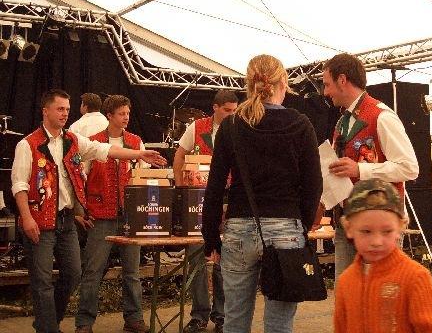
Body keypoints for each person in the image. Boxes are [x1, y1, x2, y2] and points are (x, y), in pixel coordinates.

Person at [11, 89, 166, 333]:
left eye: (67, 109)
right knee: (44, 281)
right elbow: (19, 185)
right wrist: (27, 218)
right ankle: (52, 327)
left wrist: (139, 153)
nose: (65, 113)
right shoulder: (27, 144)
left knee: (74, 274)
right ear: (45, 111)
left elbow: (105, 150)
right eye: (60, 109)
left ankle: (48, 322)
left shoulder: (73, 140)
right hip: (42, 219)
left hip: (67, 220)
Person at [202, 54, 322, 333]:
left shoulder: (231, 125)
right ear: (284, 83)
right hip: (286, 230)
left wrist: (211, 240)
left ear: (248, 84)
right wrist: (301, 226)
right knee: (279, 325)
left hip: (239, 229)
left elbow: (215, 187)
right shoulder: (300, 124)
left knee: (234, 321)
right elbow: (313, 185)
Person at [322, 53, 419, 280]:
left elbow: (409, 167)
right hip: (348, 222)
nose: (325, 92)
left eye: (327, 84)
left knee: (382, 290)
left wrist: (360, 170)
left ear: (342, 80)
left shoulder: (382, 116)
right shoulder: (342, 122)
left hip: (379, 225)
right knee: (347, 292)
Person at [75, 95, 149, 333]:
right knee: (93, 271)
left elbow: (144, 177)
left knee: (132, 272)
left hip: (130, 217)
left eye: (128, 113)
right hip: (101, 215)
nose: (126, 117)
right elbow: (80, 178)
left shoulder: (136, 142)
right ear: (109, 115)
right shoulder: (94, 142)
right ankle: (84, 322)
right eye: (121, 114)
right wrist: (81, 209)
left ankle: (134, 319)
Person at [334, 179, 432, 333]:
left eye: (387, 231)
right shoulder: (346, 281)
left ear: (401, 227)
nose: (376, 242)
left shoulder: (415, 278)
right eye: (366, 231)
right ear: (349, 228)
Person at [173, 90, 239, 333]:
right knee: (196, 256)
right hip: (199, 198)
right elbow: (179, 155)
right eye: (227, 110)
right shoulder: (197, 127)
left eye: (235, 110)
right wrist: (180, 189)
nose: (232, 114)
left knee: (225, 259)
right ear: (215, 107)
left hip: (229, 197)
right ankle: (199, 314)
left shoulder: (239, 127)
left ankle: (221, 316)